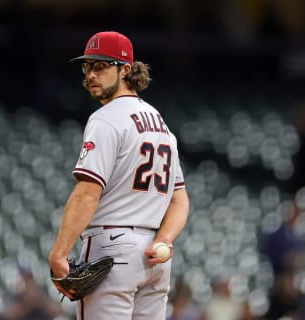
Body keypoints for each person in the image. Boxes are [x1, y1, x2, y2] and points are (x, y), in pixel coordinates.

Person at [48, 31, 190, 320]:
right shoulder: (160, 124)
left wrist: (59, 254)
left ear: (126, 69)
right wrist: (164, 240)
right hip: (154, 259)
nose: (91, 74)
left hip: (112, 247)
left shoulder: (106, 118)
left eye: (101, 66)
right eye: (87, 67)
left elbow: (88, 193)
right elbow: (180, 200)